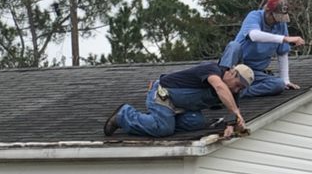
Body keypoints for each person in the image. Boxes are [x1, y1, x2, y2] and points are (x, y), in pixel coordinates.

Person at [104, 62, 254, 138]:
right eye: (238, 85)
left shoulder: (232, 94)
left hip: (182, 108)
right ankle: (123, 115)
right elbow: (219, 87)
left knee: (197, 122)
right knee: (164, 128)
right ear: (232, 73)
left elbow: (233, 113)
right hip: (163, 95)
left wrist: (232, 125)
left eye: (241, 89)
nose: (236, 90)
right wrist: (235, 111)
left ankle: (166, 119)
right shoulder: (212, 70)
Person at [219, 0, 305, 97]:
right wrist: (285, 39)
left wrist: (286, 80)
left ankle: (238, 93)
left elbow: (282, 53)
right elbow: (254, 35)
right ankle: (220, 85)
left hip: (253, 72)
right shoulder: (254, 16)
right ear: (267, 11)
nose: (278, 21)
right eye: (276, 17)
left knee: (278, 84)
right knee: (234, 46)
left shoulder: (281, 25)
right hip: (236, 66)